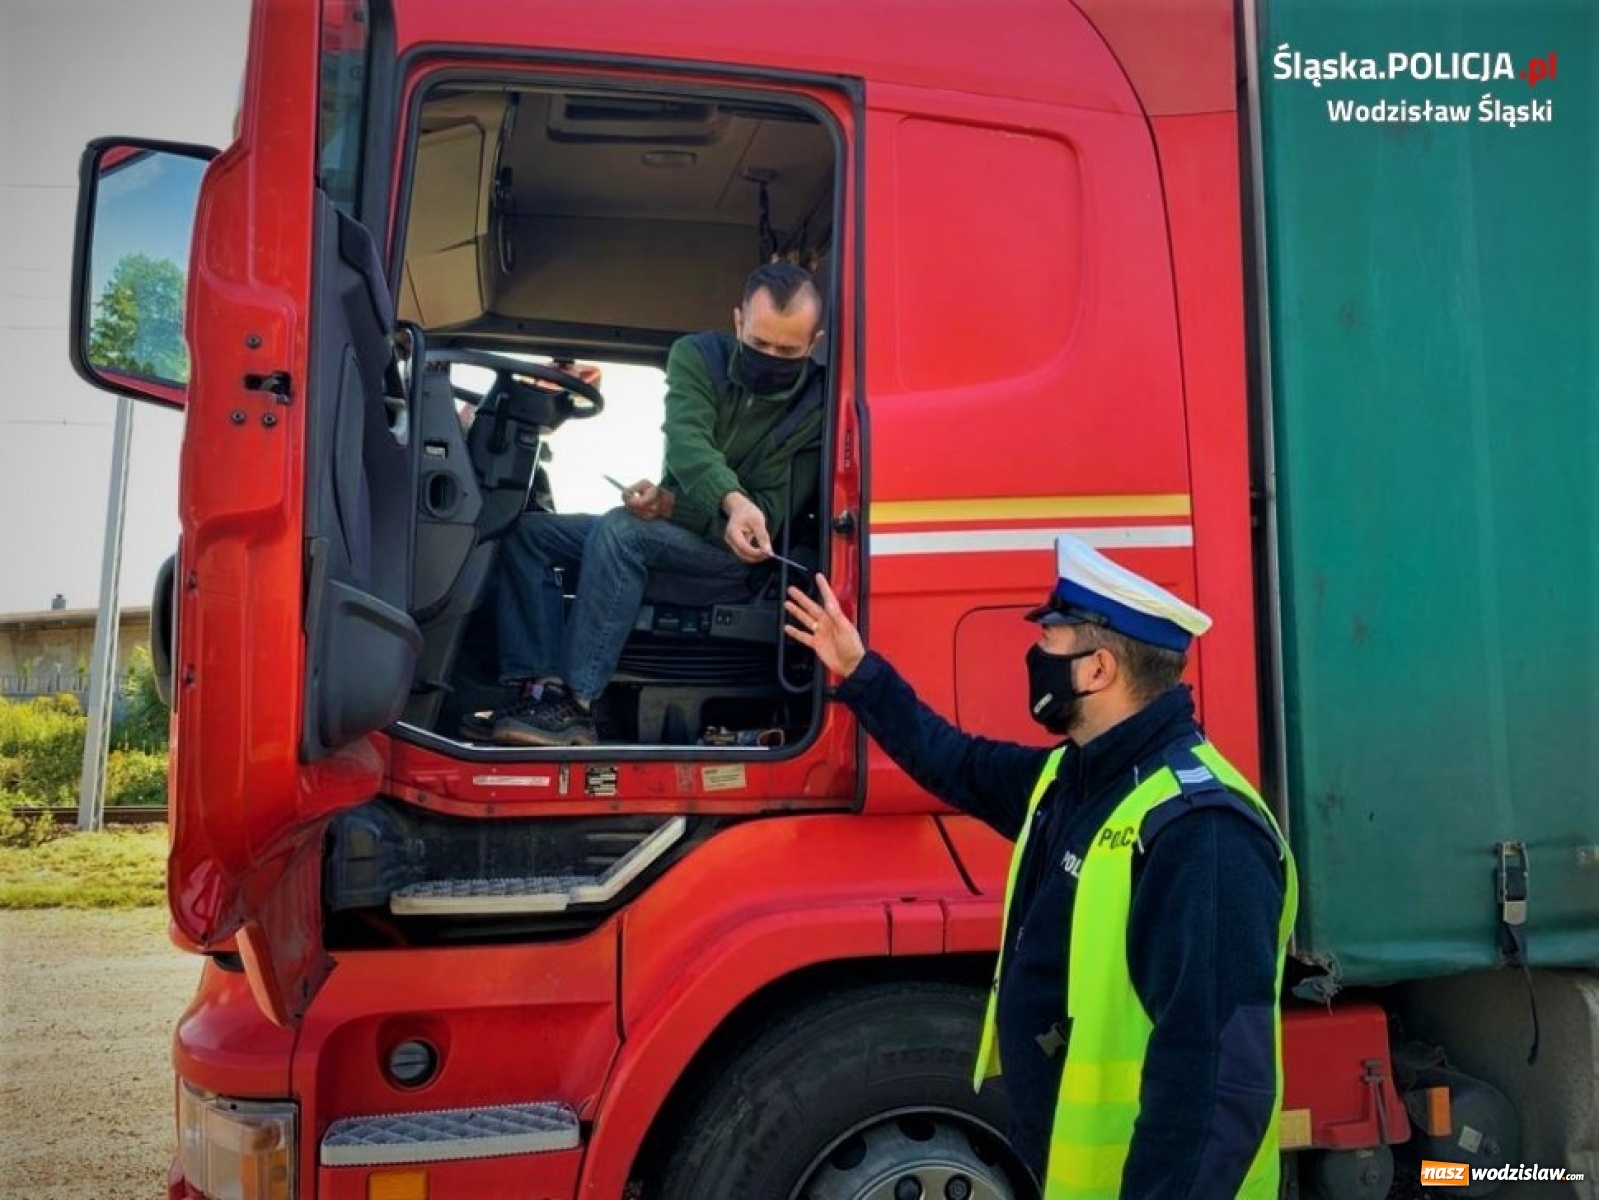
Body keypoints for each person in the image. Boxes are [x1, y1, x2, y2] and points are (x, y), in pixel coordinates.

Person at [783, 537, 1299, 1199]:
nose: (1036, 658)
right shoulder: (1074, 779)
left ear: (1097, 670)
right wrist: (859, 673)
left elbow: (1217, 1083)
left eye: (1051, 642)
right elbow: (955, 762)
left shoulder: (1200, 829)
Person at [477, 261, 826, 746]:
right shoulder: (697, 357)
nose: (770, 358)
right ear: (737, 323)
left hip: (736, 557)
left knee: (621, 532)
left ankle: (577, 707)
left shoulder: (814, 409)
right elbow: (687, 442)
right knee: (528, 533)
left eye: (787, 351)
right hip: (685, 527)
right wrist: (703, 502)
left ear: (814, 344)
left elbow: (768, 509)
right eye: (759, 344)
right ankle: (540, 690)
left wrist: (697, 510)